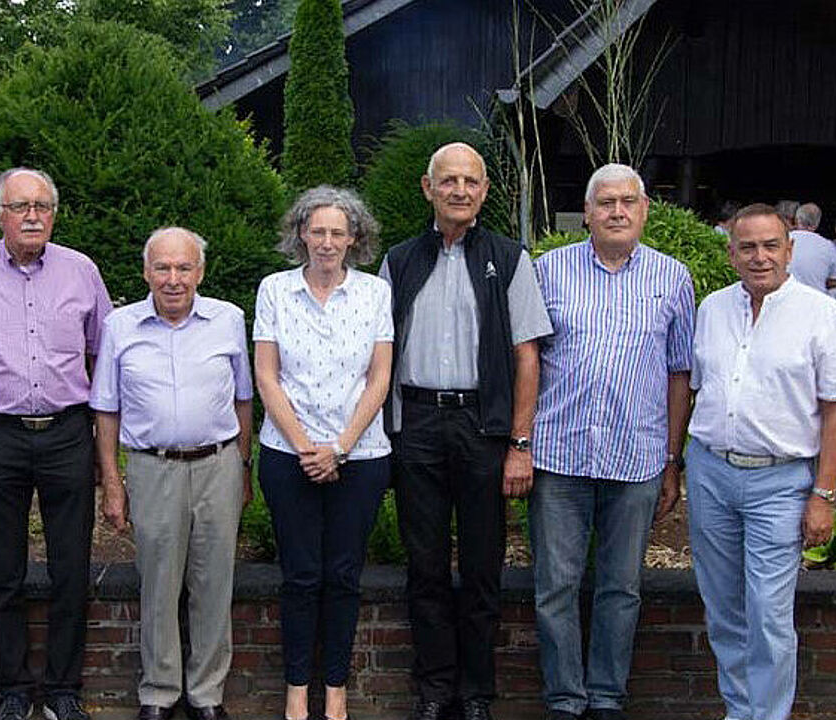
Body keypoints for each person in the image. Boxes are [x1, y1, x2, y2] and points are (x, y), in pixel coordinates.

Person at [0, 168, 112, 720]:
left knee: (71, 569)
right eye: (20, 206)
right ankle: (13, 688)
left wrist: (109, 457)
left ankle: (63, 689)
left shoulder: (82, 271)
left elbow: (106, 358)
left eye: (42, 205)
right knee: (2, 571)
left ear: (54, 214)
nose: (32, 215)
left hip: (66, 434)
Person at [379, 143, 552, 720]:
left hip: (482, 427)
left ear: (483, 191)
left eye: (470, 181)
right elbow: (378, 356)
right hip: (418, 423)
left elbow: (528, 356)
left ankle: (476, 694)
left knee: (481, 569)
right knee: (424, 566)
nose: (460, 190)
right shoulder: (399, 261)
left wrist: (519, 443)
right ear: (427, 188)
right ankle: (434, 690)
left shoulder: (508, 257)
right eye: (448, 180)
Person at [529, 164, 695, 720]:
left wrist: (672, 461)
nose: (617, 211)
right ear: (588, 212)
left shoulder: (673, 278)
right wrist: (521, 443)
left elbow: (679, 374)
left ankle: (605, 697)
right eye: (605, 202)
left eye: (628, 201)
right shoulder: (548, 271)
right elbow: (525, 361)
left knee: (621, 588)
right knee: (555, 587)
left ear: (645, 209)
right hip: (559, 455)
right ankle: (563, 699)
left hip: (637, 458)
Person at [91, 227, 253, 720]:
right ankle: (158, 692)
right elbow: (105, 409)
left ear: (200, 273)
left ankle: (206, 694)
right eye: (162, 267)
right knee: (158, 582)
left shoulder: (228, 320)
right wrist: (112, 483)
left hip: (218, 465)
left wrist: (243, 469)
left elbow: (244, 399)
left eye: (184, 268)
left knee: (213, 581)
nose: (173, 278)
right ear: (146, 272)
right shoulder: (120, 325)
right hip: (152, 467)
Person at [687, 203, 836, 720]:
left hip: (781, 481)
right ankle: (740, 710)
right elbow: (696, 389)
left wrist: (823, 495)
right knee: (724, 611)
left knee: (770, 614)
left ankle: (768, 715)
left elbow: (834, 411)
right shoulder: (711, 309)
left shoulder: (823, 315)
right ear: (730, 253)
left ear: (791, 250)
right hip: (711, 473)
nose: (760, 257)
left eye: (770, 245)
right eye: (747, 247)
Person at [253, 186, 392, 720]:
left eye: (338, 232)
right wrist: (308, 446)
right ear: (301, 234)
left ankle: (335, 689)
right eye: (318, 231)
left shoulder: (375, 294)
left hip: (360, 455)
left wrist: (339, 447)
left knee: (343, 575)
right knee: (301, 575)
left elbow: (378, 378)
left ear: (354, 238)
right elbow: (267, 375)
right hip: (288, 455)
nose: (328, 242)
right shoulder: (274, 290)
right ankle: (295, 688)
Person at [787, 202, 836, 293]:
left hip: (784, 298)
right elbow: (834, 281)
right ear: (817, 224)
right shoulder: (828, 246)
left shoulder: (782, 239)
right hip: (816, 301)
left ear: (796, 220)